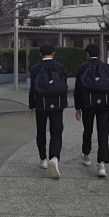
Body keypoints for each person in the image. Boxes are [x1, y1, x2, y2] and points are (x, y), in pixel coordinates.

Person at [74, 43, 109, 178]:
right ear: (99, 53)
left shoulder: (82, 68)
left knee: (88, 129)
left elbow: (77, 89)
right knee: (103, 132)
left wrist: (78, 107)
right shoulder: (107, 67)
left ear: (87, 54)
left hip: (88, 103)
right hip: (104, 103)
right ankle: (102, 165)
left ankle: (86, 155)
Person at [29, 43, 68, 179]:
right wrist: (64, 103)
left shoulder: (35, 69)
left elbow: (32, 89)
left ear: (40, 54)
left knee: (41, 130)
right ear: (53, 53)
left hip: (41, 104)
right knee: (56, 131)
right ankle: (54, 157)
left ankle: (43, 159)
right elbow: (64, 86)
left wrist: (31, 106)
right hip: (57, 104)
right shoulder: (60, 67)